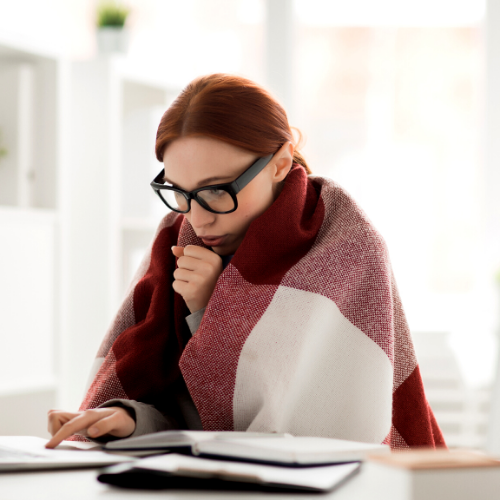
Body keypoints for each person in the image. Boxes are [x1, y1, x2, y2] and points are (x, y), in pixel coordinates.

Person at [46, 73, 445, 450]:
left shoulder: (346, 248)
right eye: (179, 192)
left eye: (217, 191)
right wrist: (127, 419)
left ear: (280, 162)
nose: (198, 218)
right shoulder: (174, 239)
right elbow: (191, 421)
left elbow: (295, 432)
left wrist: (210, 307)